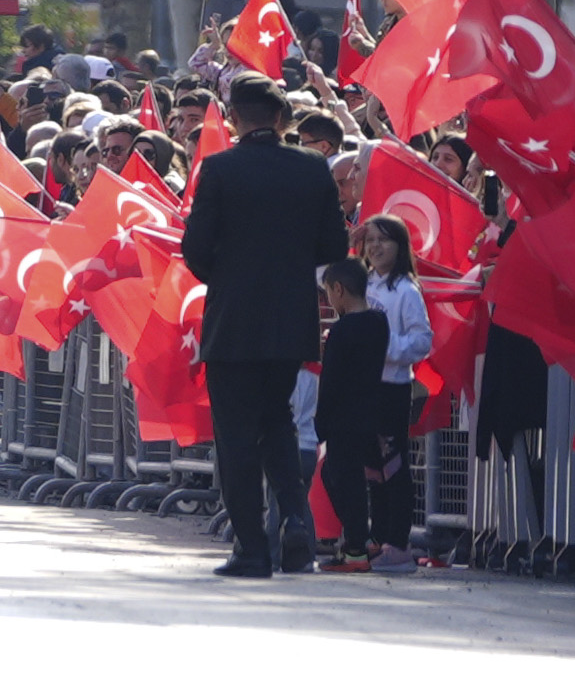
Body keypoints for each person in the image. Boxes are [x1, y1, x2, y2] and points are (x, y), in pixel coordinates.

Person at [181, 73, 349, 578]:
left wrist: (230, 277)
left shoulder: (220, 169)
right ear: (281, 119)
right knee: (278, 422)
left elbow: (194, 250)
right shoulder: (312, 169)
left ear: (234, 119)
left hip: (233, 319)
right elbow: (334, 249)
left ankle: (251, 547)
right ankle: (296, 523)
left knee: (234, 435)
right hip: (289, 317)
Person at [353, 214, 434, 571]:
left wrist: (384, 346)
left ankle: (399, 542)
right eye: (371, 240)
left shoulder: (406, 290)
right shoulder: (364, 283)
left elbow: (422, 341)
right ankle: (378, 536)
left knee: (394, 467)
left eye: (384, 240)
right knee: (371, 467)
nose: (376, 247)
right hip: (364, 388)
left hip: (393, 389)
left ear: (400, 246)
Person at [311, 260, 394, 572]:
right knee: (360, 479)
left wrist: (321, 423)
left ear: (338, 290)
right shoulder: (379, 323)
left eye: (328, 294)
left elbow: (331, 380)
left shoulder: (342, 330)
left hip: (343, 417)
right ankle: (365, 540)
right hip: (372, 411)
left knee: (341, 478)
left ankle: (356, 548)